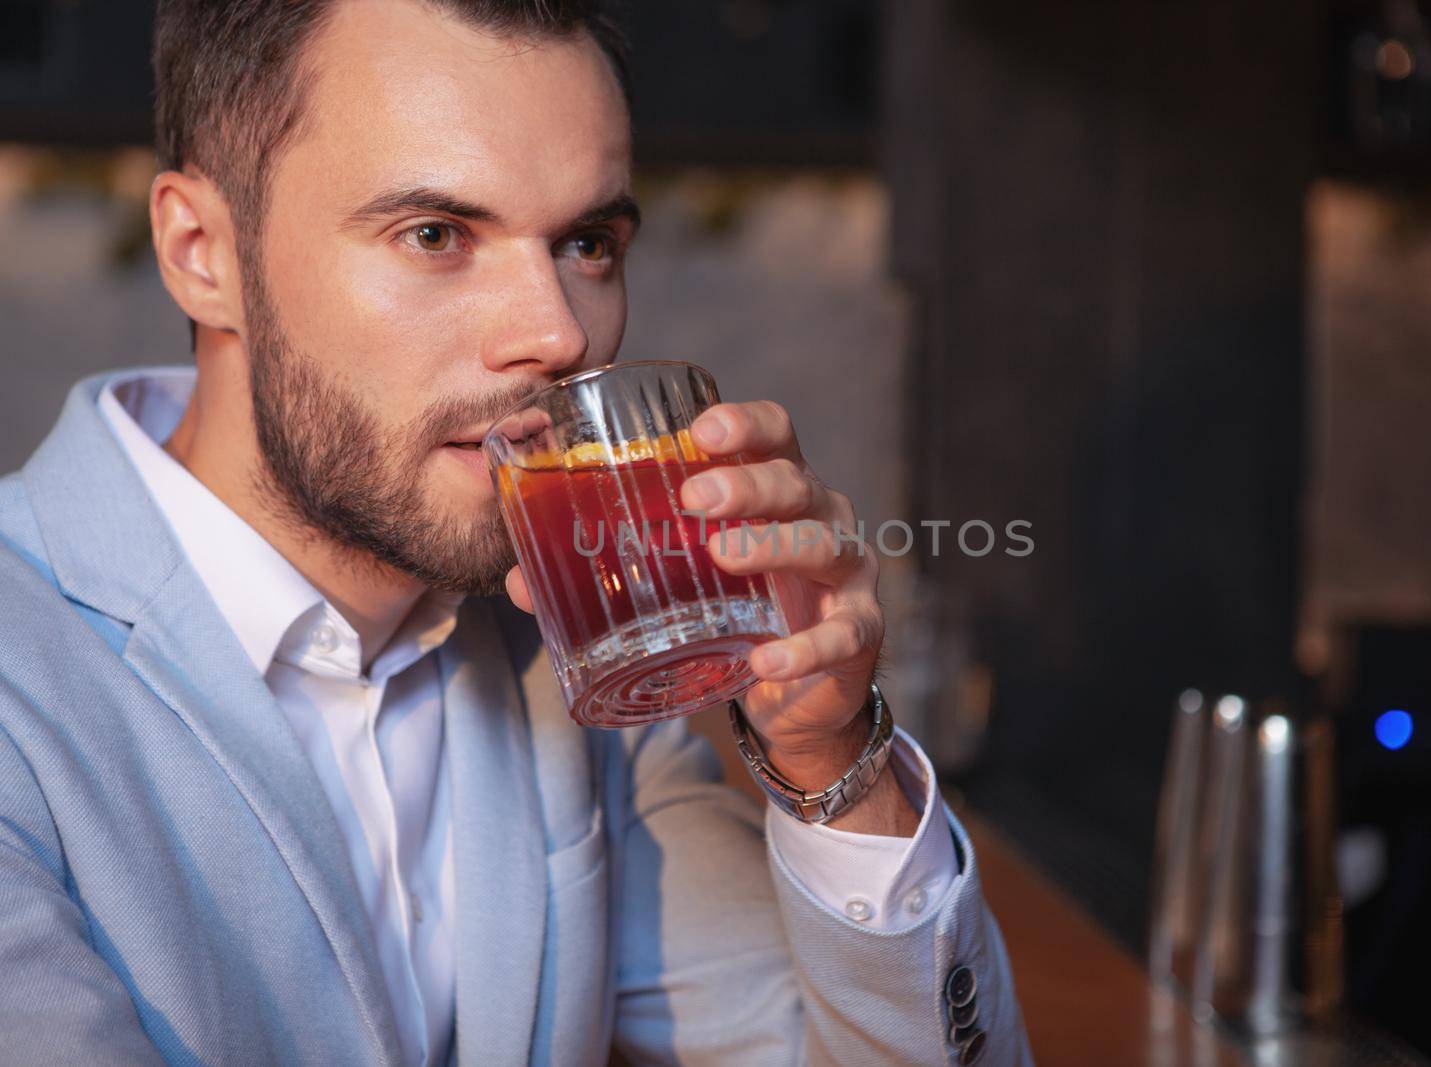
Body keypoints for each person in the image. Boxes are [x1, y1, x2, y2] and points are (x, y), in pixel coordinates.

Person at [0, 1, 1028, 1063]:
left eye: (587, 243)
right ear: (199, 249)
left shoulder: (575, 664)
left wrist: (833, 757)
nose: (557, 331)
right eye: (436, 235)